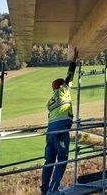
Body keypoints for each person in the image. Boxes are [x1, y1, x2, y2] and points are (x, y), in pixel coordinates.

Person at [41, 47, 79, 195]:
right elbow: (70, 74)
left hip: (50, 132)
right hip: (61, 130)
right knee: (62, 159)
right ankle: (53, 190)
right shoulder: (64, 90)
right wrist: (74, 59)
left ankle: (45, 190)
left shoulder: (50, 101)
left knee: (49, 161)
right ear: (61, 85)